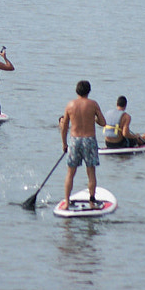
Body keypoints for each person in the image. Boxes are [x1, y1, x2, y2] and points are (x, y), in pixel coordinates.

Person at [59, 80, 108, 208]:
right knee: (91, 172)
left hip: (74, 140)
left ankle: (66, 202)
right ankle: (92, 202)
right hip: (89, 140)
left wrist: (64, 144)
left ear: (77, 91)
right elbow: (103, 122)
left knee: (70, 173)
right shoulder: (93, 104)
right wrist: (94, 117)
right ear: (89, 91)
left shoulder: (70, 105)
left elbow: (64, 127)